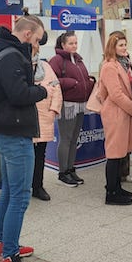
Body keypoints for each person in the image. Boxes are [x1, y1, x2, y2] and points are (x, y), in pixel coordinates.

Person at [0, 15, 55, 262]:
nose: (37, 45)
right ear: (26, 34)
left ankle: (3, 244)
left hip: (5, 130)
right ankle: (10, 261)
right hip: (14, 134)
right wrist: (43, 89)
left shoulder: (2, 51)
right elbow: (19, 94)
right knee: (20, 197)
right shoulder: (12, 56)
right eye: (36, 40)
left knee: (10, 192)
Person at [48, 32, 95, 187]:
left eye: (75, 43)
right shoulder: (57, 60)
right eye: (70, 43)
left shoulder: (78, 59)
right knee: (66, 139)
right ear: (63, 45)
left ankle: (70, 169)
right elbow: (51, 81)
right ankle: (62, 173)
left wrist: (89, 83)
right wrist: (70, 83)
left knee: (74, 139)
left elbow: (83, 77)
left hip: (80, 104)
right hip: (67, 104)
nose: (74, 46)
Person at [99, 31, 132, 205]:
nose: (124, 48)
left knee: (121, 152)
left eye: (125, 45)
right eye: (121, 45)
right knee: (114, 154)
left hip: (122, 112)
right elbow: (115, 94)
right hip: (116, 112)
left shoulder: (124, 64)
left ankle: (117, 186)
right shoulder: (109, 66)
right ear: (112, 47)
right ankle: (111, 192)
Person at [32, 32, 62, 201]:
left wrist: (53, 110)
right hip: (26, 119)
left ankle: (38, 186)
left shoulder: (46, 66)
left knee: (40, 155)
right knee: (25, 156)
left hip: (44, 118)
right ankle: (23, 187)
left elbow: (56, 88)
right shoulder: (19, 65)